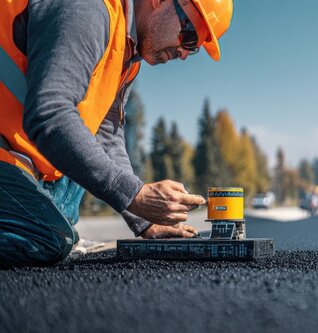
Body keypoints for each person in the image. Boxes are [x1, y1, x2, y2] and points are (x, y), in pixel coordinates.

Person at [0, 0, 233, 267]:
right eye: (189, 35)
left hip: (20, 158)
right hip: (8, 153)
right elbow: (49, 113)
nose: (183, 52)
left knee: (74, 187)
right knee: (47, 238)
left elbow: (105, 133)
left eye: (192, 50)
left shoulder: (127, 54)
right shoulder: (86, 9)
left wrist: (143, 220)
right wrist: (135, 195)